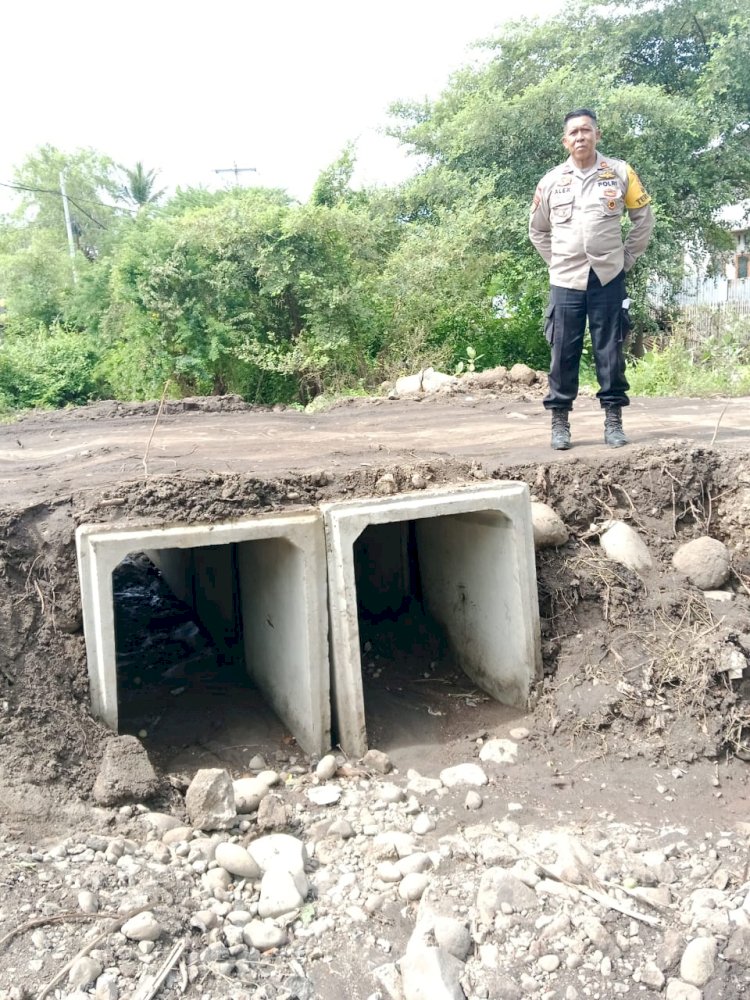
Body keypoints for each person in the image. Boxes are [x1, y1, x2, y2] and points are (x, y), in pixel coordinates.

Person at [529, 108, 654, 449]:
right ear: (565, 141)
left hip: (608, 277)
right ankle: (560, 423)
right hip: (565, 281)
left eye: (587, 130)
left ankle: (613, 421)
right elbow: (538, 231)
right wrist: (557, 263)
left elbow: (643, 220)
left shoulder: (619, 173)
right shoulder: (551, 180)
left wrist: (626, 259)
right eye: (574, 132)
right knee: (562, 353)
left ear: (598, 135)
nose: (580, 137)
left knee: (610, 351)